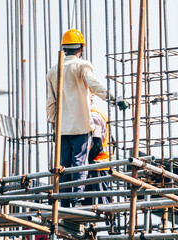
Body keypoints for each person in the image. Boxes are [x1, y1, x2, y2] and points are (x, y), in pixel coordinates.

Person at [46, 29, 129, 207]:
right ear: (81, 49)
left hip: (62, 128)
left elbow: (50, 103)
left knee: (64, 167)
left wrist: (53, 126)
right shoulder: (83, 66)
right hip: (80, 126)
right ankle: (76, 201)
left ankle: (64, 203)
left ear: (64, 48)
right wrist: (115, 99)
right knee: (79, 165)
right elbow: (95, 86)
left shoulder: (54, 70)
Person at [83, 105, 112, 205]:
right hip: (102, 162)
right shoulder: (101, 112)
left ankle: (111, 220)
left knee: (103, 199)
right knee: (87, 200)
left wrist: (85, 162)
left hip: (97, 164)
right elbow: (112, 141)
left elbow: (98, 146)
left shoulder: (93, 116)